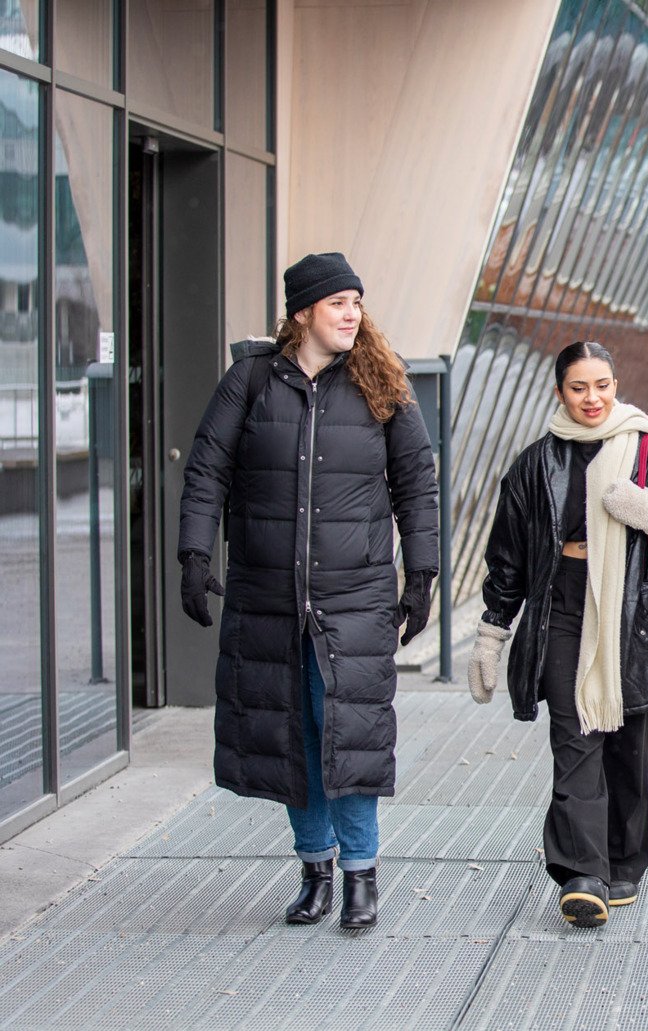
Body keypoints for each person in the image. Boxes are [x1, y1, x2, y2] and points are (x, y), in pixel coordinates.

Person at [178, 252, 439, 930]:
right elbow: (207, 469)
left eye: (356, 300)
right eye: (337, 302)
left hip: (354, 598)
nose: (352, 312)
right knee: (291, 733)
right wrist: (192, 553)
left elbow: (417, 483)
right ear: (302, 313)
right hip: (267, 598)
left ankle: (361, 875)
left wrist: (424, 574)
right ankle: (314, 867)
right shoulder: (251, 381)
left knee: (344, 732)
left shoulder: (382, 384)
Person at [467, 341, 648, 928]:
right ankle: (582, 873)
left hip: (635, 617)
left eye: (601, 385)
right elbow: (508, 560)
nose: (592, 398)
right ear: (560, 393)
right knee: (574, 743)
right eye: (579, 388)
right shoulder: (533, 464)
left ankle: (624, 858)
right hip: (563, 611)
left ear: (615, 385)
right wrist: (493, 631)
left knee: (629, 751)